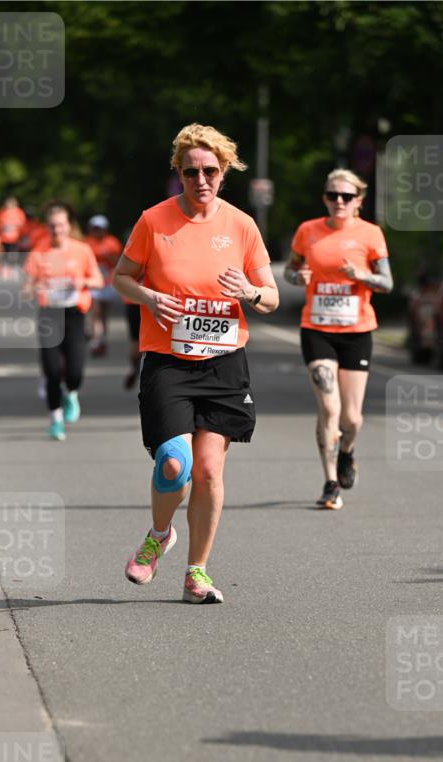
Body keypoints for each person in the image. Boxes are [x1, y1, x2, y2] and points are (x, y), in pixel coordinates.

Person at [113, 122, 278, 604]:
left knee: (207, 471)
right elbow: (121, 277)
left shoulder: (242, 226)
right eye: (190, 171)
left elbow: (270, 297)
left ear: (223, 172)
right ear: (178, 172)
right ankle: (159, 535)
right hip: (168, 361)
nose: (200, 180)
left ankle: (197, 573)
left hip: (224, 363)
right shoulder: (154, 221)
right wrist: (149, 297)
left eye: (209, 171)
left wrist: (249, 291)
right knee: (173, 463)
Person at [284, 168, 392, 510]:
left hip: (357, 332)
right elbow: (290, 270)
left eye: (347, 196)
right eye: (333, 195)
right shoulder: (308, 231)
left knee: (352, 419)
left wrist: (360, 275)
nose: (339, 201)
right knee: (329, 407)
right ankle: (330, 482)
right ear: (325, 199)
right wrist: (297, 277)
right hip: (317, 330)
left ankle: (347, 451)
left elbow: (387, 283)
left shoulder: (371, 234)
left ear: (359, 200)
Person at [23, 203, 103, 440]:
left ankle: (71, 393)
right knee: (52, 369)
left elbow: (98, 280)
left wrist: (82, 283)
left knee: (75, 372)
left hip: (74, 314)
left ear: (68, 226)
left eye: (60, 225)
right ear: (46, 227)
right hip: (49, 314)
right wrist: (35, 287)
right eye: (52, 226)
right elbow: (26, 288)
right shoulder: (39, 252)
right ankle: (56, 419)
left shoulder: (82, 250)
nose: (56, 230)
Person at [85, 215, 123, 356]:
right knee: (95, 312)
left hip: (108, 283)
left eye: (100, 228)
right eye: (95, 228)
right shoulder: (87, 243)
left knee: (104, 314)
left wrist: (108, 256)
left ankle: (102, 339)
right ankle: (95, 340)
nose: (97, 231)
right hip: (94, 283)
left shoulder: (112, 243)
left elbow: (118, 262)